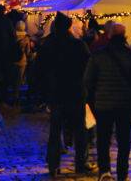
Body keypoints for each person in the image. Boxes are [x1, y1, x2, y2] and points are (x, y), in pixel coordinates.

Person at [83, 22, 131, 181]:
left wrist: (91, 102)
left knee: (103, 140)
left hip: (103, 105)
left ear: (109, 35)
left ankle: (104, 171)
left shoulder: (98, 55)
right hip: (125, 105)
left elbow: (88, 81)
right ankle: (122, 173)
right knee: (123, 141)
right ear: (125, 36)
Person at [35, 13, 92, 177]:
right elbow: (87, 68)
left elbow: (39, 71)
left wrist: (43, 92)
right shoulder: (77, 45)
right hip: (75, 92)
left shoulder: (47, 45)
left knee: (55, 130)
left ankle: (53, 165)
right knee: (80, 130)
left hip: (56, 93)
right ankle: (80, 163)